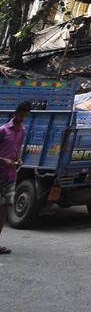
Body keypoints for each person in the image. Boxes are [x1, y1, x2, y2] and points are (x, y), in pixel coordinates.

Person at [0, 101, 32, 255]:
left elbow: (17, 149)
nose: (22, 118)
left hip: (11, 175)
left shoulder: (22, 131)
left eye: (24, 116)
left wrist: (19, 160)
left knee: (4, 209)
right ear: (16, 113)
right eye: (20, 115)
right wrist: (3, 160)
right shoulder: (3, 130)